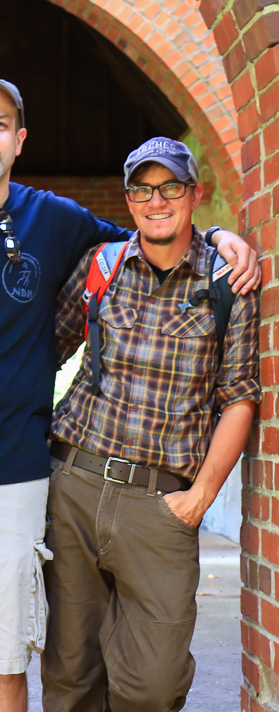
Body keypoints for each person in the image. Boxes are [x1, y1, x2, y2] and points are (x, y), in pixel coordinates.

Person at [0, 74, 260, 712]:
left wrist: (223, 239)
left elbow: (155, 241)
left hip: (14, 480)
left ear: (19, 140)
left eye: (0, 125)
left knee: (7, 666)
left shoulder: (57, 220)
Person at [41, 137, 261, 712]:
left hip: (161, 505)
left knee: (154, 685)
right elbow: (40, 353)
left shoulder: (225, 284)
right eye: (142, 188)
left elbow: (239, 398)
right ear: (129, 198)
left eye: (169, 187)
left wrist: (199, 499)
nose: (155, 200)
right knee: (70, 674)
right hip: (75, 485)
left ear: (195, 194)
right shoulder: (103, 267)